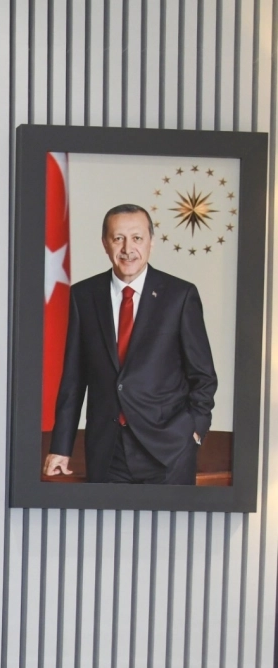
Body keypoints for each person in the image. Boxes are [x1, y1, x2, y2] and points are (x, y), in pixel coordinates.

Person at [45, 202, 217, 485]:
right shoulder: (83, 296)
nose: (128, 248)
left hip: (169, 451)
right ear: (105, 243)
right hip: (107, 451)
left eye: (137, 238)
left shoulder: (180, 296)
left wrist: (194, 430)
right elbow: (74, 379)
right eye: (118, 238)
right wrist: (61, 448)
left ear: (151, 242)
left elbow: (203, 376)